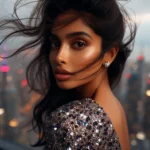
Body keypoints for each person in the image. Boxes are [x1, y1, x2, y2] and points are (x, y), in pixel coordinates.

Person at [0, 0, 137, 149]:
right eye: (56, 43)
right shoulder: (114, 106)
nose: (60, 57)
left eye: (79, 43)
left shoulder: (72, 123)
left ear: (109, 54)